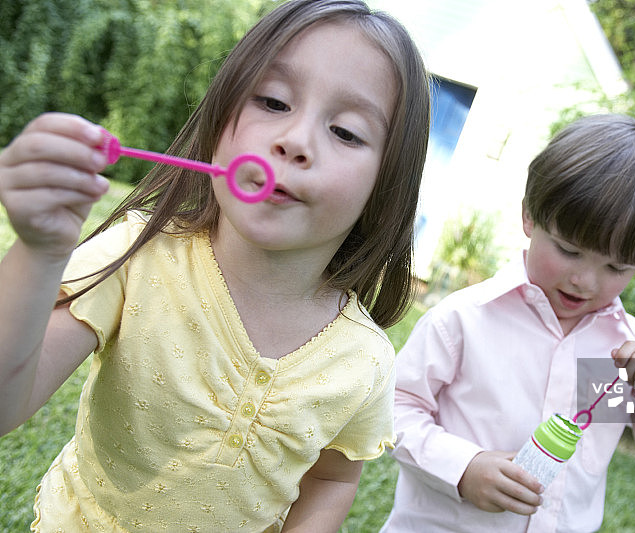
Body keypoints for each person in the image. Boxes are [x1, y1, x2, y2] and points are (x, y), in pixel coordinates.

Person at [0, 0, 430, 530]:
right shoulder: (139, 254)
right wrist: (38, 254)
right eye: (273, 101)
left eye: (345, 131)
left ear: (386, 184)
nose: (294, 141)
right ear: (220, 118)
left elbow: (332, 480)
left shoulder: (364, 360)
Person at [380, 114, 635, 532]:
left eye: (616, 266)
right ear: (529, 216)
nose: (585, 280)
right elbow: (393, 410)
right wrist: (463, 468)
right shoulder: (464, 319)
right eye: (568, 250)